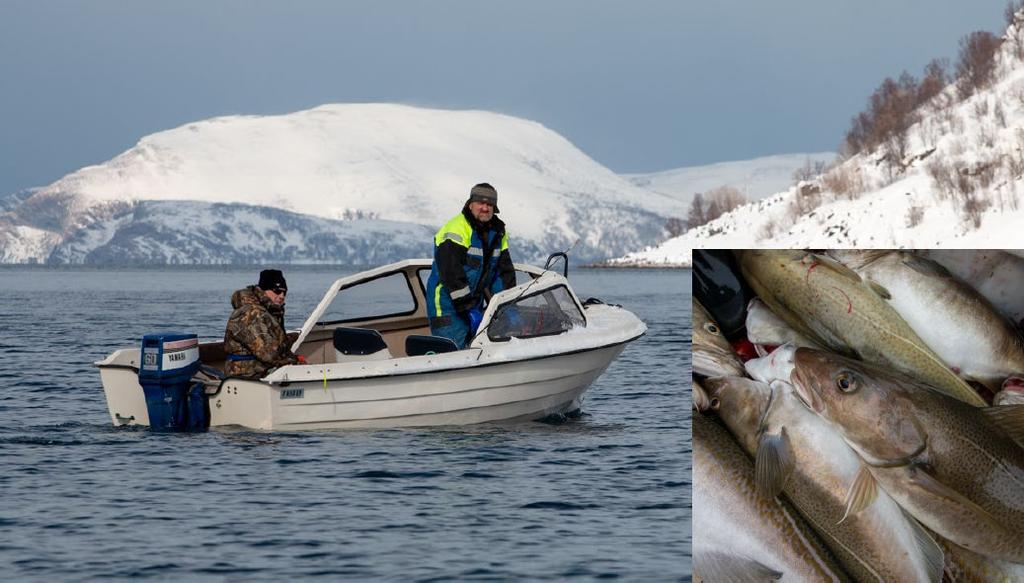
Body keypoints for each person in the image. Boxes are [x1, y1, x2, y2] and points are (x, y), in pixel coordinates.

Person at [426, 183, 516, 348]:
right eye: (481, 202)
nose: (484, 208)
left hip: (473, 305)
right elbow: (451, 273)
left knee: (476, 350)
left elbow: (503, 273)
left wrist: (508, 305)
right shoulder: (457, 229)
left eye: (489, 204)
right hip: (447, 307)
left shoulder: (498, 233)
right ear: (470, 203)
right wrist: (468, 309)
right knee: (454, 354)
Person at [223, 269, 304, 378]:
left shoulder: (269, 312)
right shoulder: (252, 314)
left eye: (284, 292)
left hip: (261, 370)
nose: (282, 296)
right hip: (247, 375)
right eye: (277, 291)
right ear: (263, 290)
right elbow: (268, 354)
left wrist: (288, 340)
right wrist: (295, 360)